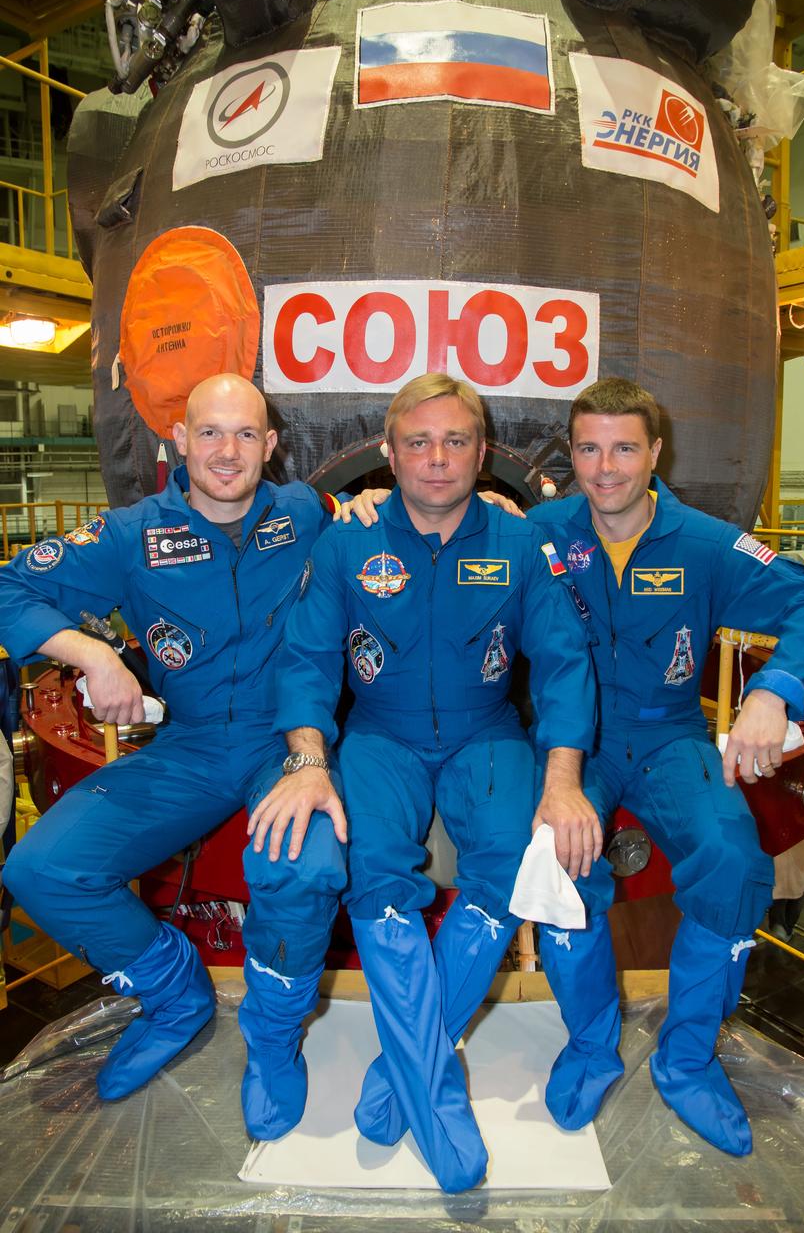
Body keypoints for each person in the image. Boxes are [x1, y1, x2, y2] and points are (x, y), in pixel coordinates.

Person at [0, 373, 381, 1140]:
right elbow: (10, 585)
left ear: (270, 446)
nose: (227, 451)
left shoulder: (305, 511)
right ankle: (175, 992)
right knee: (40, 870)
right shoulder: (129, 535)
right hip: (194, 743)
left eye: (245, 434)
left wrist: (480, 505)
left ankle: (274, 1040)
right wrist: (89, 654)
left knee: (305, 869)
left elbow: (395, 514)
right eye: (209, 432)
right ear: (179, 439)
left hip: (289, 741)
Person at [248, 372, 596, 1192]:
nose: (436, 460)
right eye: (418, 442)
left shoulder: (519, 544)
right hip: (379, 736)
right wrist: (306, 759)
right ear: (388, 451)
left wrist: (564, 778)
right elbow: (303, 659)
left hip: (485, 733)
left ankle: (405, 1063)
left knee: (511, 857)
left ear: (482, 452)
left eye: (455, 442)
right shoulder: (345, 541)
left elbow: (562, 663)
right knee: (370, 872)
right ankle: (435, 1093)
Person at [526, 376, 804, 1157]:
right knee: (553, 863)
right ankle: (592, 1044)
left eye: (625, 448)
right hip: (572, 745)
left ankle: (685, 1058)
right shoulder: (535, 534)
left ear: (655, 452)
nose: (606, 468)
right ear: (570, 453)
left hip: (669, 737)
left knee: (732, 857)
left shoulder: (707, 544)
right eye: (590, 448)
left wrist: (772, 689)